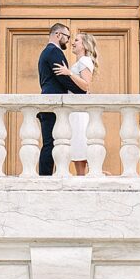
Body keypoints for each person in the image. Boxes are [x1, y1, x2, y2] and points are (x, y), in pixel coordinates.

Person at [36, 23, 84, 176]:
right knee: (51, 144)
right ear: (58, 35)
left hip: (50, 102)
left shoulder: (47, 52)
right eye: (67, 37)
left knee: (52, 143)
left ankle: (48, 176)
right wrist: (82, 91)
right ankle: (45, 179)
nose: (68, 41)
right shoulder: (53, 52)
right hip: (52, 103)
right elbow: (63, 78)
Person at [53, 32, 99, 175]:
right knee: (76, 147)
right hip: (74, 111)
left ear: (84, 45)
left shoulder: (85, 61)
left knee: (79, 147)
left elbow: (86, 86)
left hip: (79, 113)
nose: (73, 42)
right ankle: (81, 178)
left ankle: (82, 178)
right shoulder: (79, 62)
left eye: (77, 40)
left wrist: (69, 73)